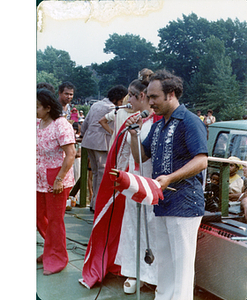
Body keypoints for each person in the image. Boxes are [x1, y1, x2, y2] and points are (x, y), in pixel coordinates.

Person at [126, 69, 208, 300]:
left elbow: (201, 160)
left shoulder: (190, 121)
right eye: (148, 97)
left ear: (170, 94)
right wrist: (133, 135)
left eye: (154, 97)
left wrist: (171, 178)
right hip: (162, 200)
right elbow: (141, 156)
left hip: (185, 202)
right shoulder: (158, 124)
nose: (150, 102)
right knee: (165, 260)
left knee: (182, 264)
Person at [114, 72, 161, 294]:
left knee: (151, 226)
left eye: (131, 96)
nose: (128, 102)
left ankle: (153, 273)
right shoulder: (133, 120)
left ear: (141, 95)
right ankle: (134, 271)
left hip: (151, 181)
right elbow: (132, 156)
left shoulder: (157, 122)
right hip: (133, 180)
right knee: (133, 225)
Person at [36, 88, 76, 275]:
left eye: (36, 107)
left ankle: (57, 257)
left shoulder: (61, 125)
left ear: (47, 107)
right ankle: (50, 248)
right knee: (38, 216)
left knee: (54, 220)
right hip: (37, 179)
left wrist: (59, 179)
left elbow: (70, 154)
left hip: (56, 179)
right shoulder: (36, 122)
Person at [80, 85, 128, 211]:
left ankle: (93, 202)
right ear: (118, 98)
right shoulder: (113, 108)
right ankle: (98, 205)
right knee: (102, 173)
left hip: (89, 141)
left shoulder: (96, 104)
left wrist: (83, 135)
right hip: (101, 142)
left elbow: (85, 122)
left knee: (95, 173)